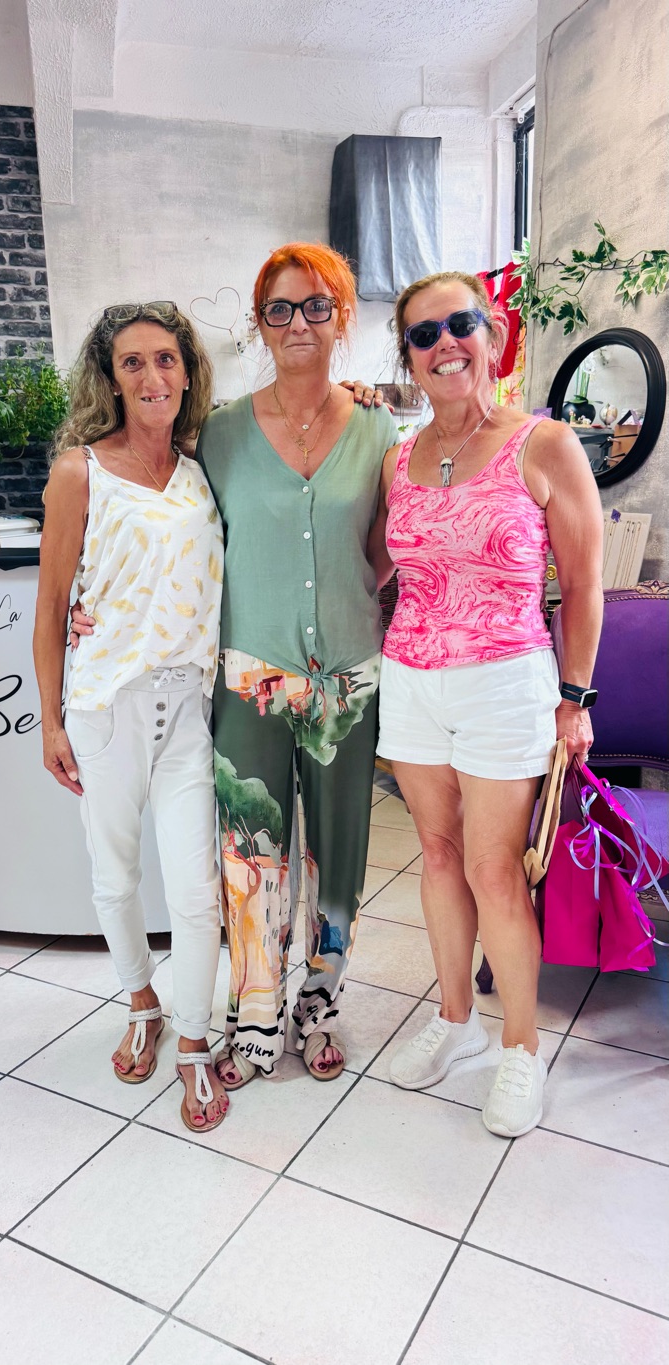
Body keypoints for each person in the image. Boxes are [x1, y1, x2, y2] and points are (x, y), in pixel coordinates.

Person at [374, 270, 603, 1138]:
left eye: (458, 324)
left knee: (494, 869)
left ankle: (520, 1047)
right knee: (436, 854)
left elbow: (584, 585)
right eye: (422, 335)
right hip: (412, 679)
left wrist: (574, 698)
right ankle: (455, 1019)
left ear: (493, 333)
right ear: (409, 356)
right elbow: (377, 568)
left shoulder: (543, 445)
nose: (444, 344)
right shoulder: (398, 456)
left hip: (507, 681)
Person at [195, 243, 399, 1088]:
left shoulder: (380, 429)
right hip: (250, 676)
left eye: (317, 305)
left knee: (338, 855)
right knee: (252, 855)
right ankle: (253, 1019)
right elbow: (186, 542)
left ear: (341, 315)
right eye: (279, 308)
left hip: (348, 678)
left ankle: (318, 1006)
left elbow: (389, 546)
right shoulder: (220, 434)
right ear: (260, 323)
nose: (298, 323)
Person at [33, 301, 230, 1132]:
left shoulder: (203, 466)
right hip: (106, 707)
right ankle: (142, 1002)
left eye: (165, 359)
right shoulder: (79, 471)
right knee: (115, 877)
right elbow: (51, 605)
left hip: (188, 708)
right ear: (110, 379)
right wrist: (51, 721)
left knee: (196, 892)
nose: (152, 376)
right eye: (132, 362)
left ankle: (194, 1040)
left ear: (187, 370)